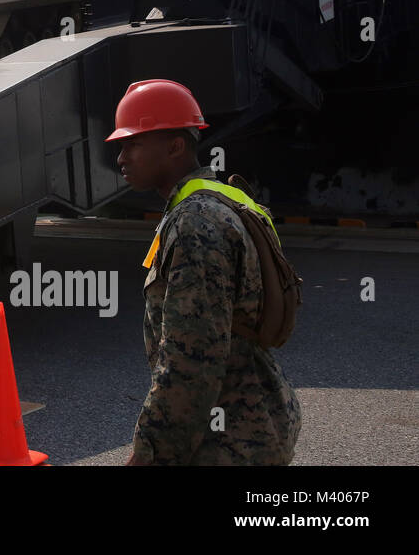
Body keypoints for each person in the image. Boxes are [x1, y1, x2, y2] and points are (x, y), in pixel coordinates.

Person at [108, 78, 301, 465]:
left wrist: (150, 455)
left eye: (133, 143)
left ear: (175, 146)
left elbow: (192, 362)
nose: (121, 158)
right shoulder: (217, 199)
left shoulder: (196, 223)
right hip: (252, 418)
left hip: (228, 439)